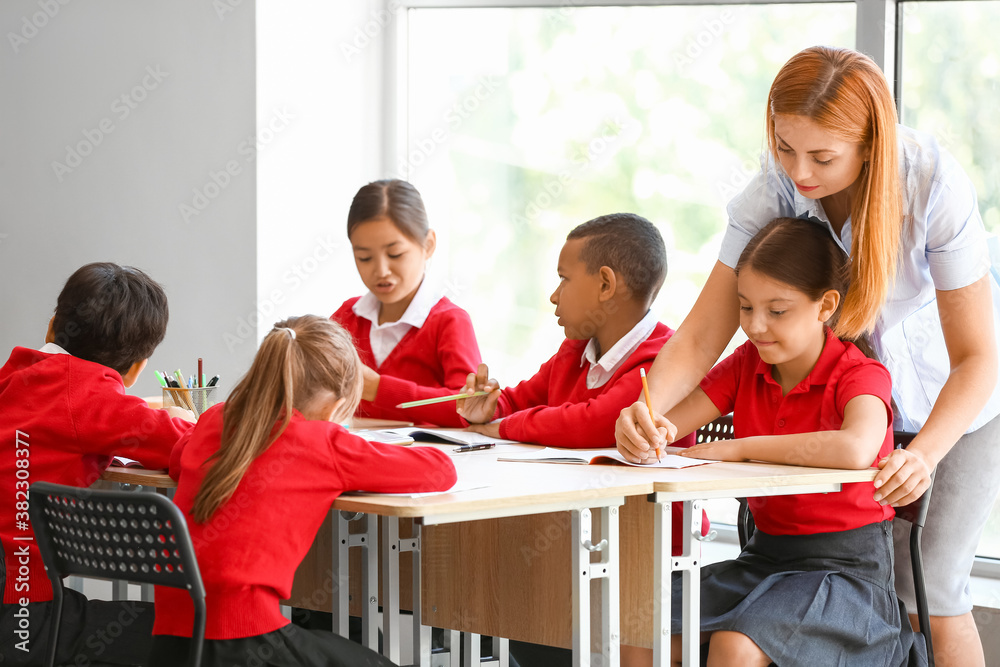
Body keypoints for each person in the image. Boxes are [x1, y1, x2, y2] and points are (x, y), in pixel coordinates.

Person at [617, 45, 999, 666]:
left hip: (954, 400)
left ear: (871, 143)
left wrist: (923, 454)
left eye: (822, 156)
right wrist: (647, 405)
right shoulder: (773, 188)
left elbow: (978, 357)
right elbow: (703, 332)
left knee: (930, 584)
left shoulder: (932, 182)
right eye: (785, 148)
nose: (799, 172)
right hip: (848, 400)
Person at [625, 217, 919, 665]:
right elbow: (668, 423)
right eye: (745, 308)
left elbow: (857, 447)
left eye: (776, 311)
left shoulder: (859, 374)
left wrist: (744, 446)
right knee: (641, 629)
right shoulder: (747, 363)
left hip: (846, 576)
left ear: (826, 306)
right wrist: (646, 428)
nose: (756, 327)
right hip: (763, 559)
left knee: (736, 645)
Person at [150, 315, 457, 666]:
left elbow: (177, 460)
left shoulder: (215, 418)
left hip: (171, 641)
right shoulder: (323, 444)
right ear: (334, 402)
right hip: (244, 642)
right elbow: (440, 470)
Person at [0, 262, 194, 666]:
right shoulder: (89, 398)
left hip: (16, 607)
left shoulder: (13, 377)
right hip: (21, 621)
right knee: (199, 632)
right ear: (138, 367)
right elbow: (192, 448)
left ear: (52, 327)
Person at [458, 212, 695, 450]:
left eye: (564, 278)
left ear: (605, 285)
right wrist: (489, 411)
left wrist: (502, 427)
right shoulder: (577, 349)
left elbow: (590, 424)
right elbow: (517, 401)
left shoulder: (664, 360)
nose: (554, 296)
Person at [332, 179, 482, 427]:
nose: (381, 270)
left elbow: (469, 407)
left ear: (428, 245)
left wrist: (377, 389)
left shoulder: (449, 321)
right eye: (364, 257)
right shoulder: (347, 317)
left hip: (425, 459)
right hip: (351, 456)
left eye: (395, 255)